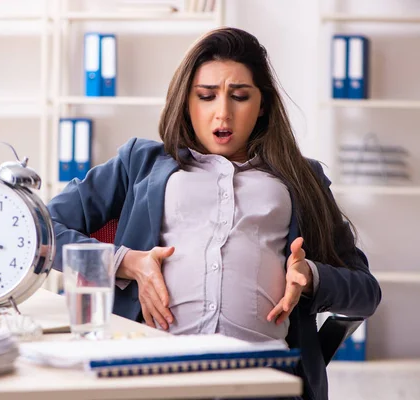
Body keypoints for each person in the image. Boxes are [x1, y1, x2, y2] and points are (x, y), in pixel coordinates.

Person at [47, 27, 381, 400]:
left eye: (240, 96)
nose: (223, 113)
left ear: (263, 104)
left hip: (264, 379)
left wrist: (311, 277)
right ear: (186, 102)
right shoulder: (140, 162)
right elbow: (43, 231)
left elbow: (366, 292)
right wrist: (126, 262)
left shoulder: (301, 179)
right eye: (206, 96)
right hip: (155, 375)